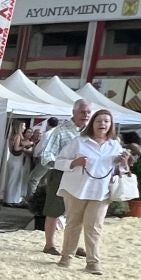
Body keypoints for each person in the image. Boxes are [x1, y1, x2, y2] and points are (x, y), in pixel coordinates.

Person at [56, 109, 129, 275]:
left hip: (101, 192)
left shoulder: (115, 145)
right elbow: (58, 162)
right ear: (92, 123)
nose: (102, 124)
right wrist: (74, 163)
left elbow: (120, 171)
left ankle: (93, 262)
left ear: (111, 125)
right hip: (76, 190)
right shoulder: (79, 142)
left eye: (106, 121)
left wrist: (124, 163)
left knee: (94, 227)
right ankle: (66, 257)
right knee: (73, 224)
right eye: (99, 121)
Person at [36, 99, 91, 256]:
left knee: (77, 213)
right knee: (54, 210)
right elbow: (46, 154)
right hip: (60, 174)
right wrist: (63, 164)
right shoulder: (61, 131)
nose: (86, 115)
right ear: (74, 112)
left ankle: (73, 245)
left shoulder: (90, 132)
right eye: (82, 112)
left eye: (88, 112)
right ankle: (49, 244)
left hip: (82, 176)